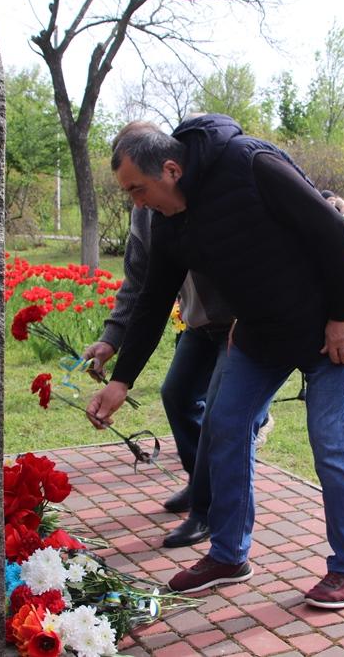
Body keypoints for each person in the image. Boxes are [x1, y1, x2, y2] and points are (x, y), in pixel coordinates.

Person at [89, 115, 344, 609]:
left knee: (332, 445)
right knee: (224, 424)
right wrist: (121, 381)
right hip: (263, 331)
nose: (135, 202)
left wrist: (343, 315)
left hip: (333, 323)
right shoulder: (168, 222)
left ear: (172, 170)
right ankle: (228, 554)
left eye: (137, 189)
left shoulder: (249, 163)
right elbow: (154, 300)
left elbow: (330, 228)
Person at [83, 201, 270, 550]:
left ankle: (205, 510)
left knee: (220, 415)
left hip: (236, 326)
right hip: (199, 326)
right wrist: (112, 339)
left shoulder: (201, 199)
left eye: (137, 185)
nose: (135, 198)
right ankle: (199, 480)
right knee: (177, 394)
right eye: (127, 189)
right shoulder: (145, 211)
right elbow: (140, 284)